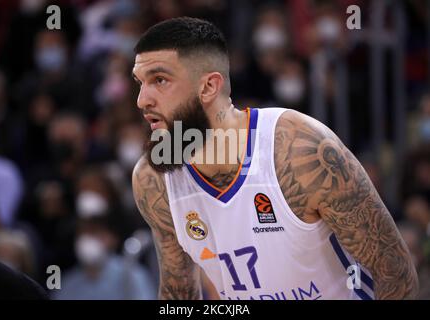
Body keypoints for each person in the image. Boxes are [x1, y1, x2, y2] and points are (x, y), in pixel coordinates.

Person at [131, 17, 418, 300]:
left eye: (159, 80)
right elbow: (178, 295)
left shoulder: (299, 150)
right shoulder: (153, 180)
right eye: (140, 83)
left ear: (208, 87)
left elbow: (395, 272)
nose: (142, 100)